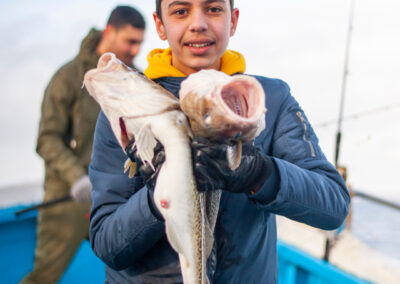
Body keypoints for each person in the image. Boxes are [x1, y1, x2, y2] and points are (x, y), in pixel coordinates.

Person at [89, 0, 350, 283]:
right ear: (160, 26)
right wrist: (158, 194)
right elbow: (107, 243)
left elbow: (333, 205)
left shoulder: (269, 98)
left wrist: (258, 173)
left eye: (213, 9)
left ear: (233, 20)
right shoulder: (126, 109)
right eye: (180, 11)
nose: (198, 23)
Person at [21, 6, 145, 284]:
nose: (136, 50)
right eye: (130, 41)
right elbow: (47, 139)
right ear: (109, 32)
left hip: (119, 196)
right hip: (68, 198)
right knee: (45, 276)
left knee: (138, 270)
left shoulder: (137, 80)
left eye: (140, 42)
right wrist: (77, 178)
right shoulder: (67, 76)